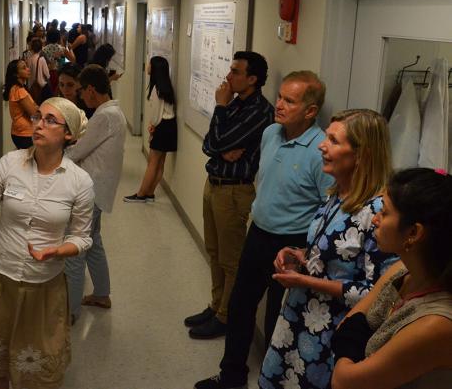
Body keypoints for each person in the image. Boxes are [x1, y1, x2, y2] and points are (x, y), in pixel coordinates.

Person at [194, 71, 335, 388]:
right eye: (281, 96)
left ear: (311, 111)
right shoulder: (271, 133)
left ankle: (275, 380)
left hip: (293, 244)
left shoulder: (320, 149)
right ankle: (231, 375)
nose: (279, 104)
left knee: (278, 317)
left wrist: (305, 252)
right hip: (258, 234)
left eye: (290, 100)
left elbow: (327, 208)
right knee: (240, 306)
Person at [254, 109, 399, 389]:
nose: (322, 144)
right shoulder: (338, 193)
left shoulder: (378, 212)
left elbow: (381, 293)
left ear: (362, 154)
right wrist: (302, 256)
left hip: (329, 334)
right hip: (298, 317)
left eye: (333, 140)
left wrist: (305, 281)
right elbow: (338, 256)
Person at [0, 97, 94, 389]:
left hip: (44, 285)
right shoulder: (9, 164)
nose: (39, 124)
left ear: (68, 134)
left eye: (50, 120)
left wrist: (58, 251)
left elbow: (82, 237)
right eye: (38, 117)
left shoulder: (79, 182)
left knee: (35, 374)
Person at [332, 168, 452, 389]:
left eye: (385, 212)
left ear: (413, 233)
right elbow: (345, 325)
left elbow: (343, 381)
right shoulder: (402, 271)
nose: (375, 219)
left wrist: (352, 339)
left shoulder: (437, 323)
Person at [184, 51, 274, 341]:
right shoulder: (235, 103)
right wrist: (221, 145)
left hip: (235, 191)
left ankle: (225, 316)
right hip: (214, 184)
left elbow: (218, 139)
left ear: (253, 79)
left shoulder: (260, 111)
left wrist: (220, 110)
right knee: (213, 251)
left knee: (230, 259)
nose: (228, 76)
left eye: (235, 71)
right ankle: (215, 305)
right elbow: (210, 144)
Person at [64, 64, 127, 323]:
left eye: (81, 91)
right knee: (93, 243)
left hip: (90, 190)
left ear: (91, 90)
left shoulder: (104, 116)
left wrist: (49, 156)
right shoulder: (114, 112)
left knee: (76, 250)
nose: (80, 96)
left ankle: (69, 312)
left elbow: (79, 151)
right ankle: (101, 294)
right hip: (98, 189)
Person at [124, 56, 177, 202]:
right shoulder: (166, 87)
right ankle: (150, 193)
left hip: (162, 126)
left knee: (152, 163)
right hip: (170, 126)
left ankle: (141, 194)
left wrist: (152, 126)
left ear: (155, 69)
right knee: (160, 163)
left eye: (149, 64)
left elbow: (156, 115)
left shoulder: (157, 89)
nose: (147, 66)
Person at [3, 59, 38, 149]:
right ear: (17, 74)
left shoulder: (15, 88)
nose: (28, 69)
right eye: (24, 68)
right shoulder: (19, 91)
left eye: (26, 66)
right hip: (25, 133)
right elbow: (34, 114)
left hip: (18, 131)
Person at [27, 38, 51, 103]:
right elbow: (47, 74)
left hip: (31, 87)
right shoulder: (41, 59)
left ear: (31, 48)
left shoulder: (29, 59)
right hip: (41, 87)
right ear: (40, 48)